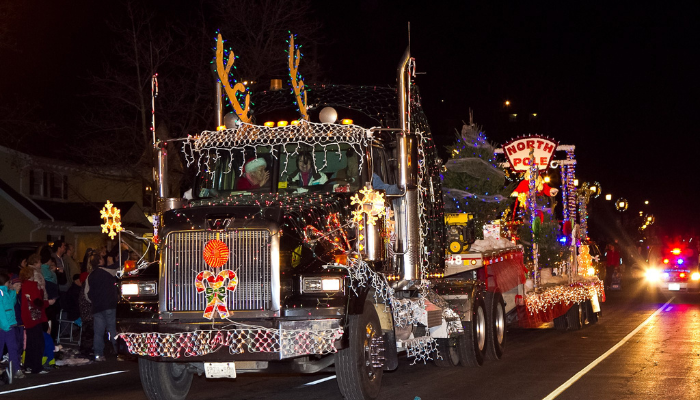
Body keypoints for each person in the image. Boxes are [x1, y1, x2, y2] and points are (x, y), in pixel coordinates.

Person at [20, 256, 51, 375]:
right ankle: (37, 367)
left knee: (30, 343)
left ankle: (28, 365)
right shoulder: (32, 285)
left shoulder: (23, 286)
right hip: (34, 317)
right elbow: (36, 302)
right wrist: (48, 302)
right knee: (38, 343)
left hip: (27, 317)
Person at [86, 255, 119, 361]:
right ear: (100, 260)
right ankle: (118, 352)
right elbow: (118, 269)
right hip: (109, 304)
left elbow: (86, 293)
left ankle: (98, 354)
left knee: (98, 332)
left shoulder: (90, 276)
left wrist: (94, 301)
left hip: (97, 307)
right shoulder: (107, 271)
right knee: (112, 330)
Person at [0, 273, 24, 380]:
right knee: (1, 349)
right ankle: (15, 370)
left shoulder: (6, 292)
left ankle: (16, 369)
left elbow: (12, 303)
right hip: (4, 326)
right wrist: (5, 326)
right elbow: (1, 312)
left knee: (13, 348)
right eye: (9, 282)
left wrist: (15, 291)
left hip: (10, 325)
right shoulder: (1, 293)